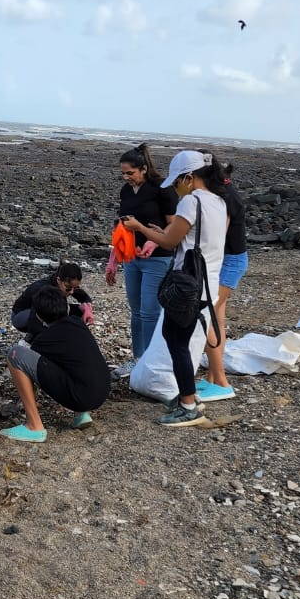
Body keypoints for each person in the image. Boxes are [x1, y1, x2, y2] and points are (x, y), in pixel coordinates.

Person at [122, 151, 227, 427]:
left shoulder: (191, 202)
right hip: (208, 280)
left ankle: (188, 404)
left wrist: (143, 229)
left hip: (186, 284)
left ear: (189, 178)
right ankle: (188, 397)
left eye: (178, 181)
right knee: (178, 338)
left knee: (176, 341)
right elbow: (196, 241)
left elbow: (168, 242)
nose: (176, 187)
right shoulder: (218, 202)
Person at [1, 285, 111, 443]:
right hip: (102, 392)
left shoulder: (44, 340)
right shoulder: (77, 322)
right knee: (72, 360)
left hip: (81, 397)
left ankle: (34, 426)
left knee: (15, 354)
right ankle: (81, 414)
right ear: (66, 308)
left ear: (38, 316)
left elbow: (32, 367)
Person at [106, 142, 177, 374]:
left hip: (158, 258)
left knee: (150, 311)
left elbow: (174, 224)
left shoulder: (161, 188)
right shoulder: (126, 191)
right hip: (131, 258)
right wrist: (113, 259)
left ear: (143, 168)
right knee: (135, 311)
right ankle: (138, 359)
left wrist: (154, 239)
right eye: (123, 173)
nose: (126, 177)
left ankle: (151, 361)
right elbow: (122, 227)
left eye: (131, 173)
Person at [196, 163, 248, 402]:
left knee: (209, 319)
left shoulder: (225, 198)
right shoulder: (228, 193)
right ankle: (211, 378)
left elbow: (217, 235)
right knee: (217, 319)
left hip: (229, 262)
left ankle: (222, 382)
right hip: (232, 259)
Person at [11, 262, 94, 340]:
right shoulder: (43, 289)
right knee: (53, 313)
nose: (72, 292)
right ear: (58, 280)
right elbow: (35, 318)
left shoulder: (67, 284)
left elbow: (84, 297)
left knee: (79, 310)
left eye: (75, 288)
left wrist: (87, 308)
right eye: (68, 288)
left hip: (41, 313)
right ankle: (32, 338)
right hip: (21, 316)